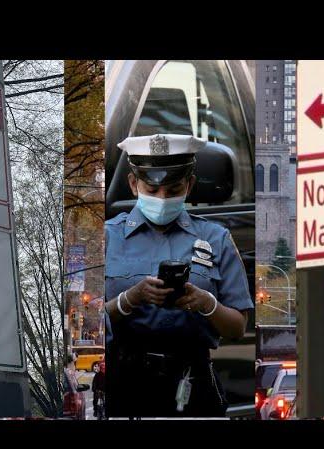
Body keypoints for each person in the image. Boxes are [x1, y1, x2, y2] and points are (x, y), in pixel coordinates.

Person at [105, 133, 253, 418]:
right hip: (123, 385)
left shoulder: (216, 238)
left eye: (173, 191)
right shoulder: (108, 237)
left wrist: (206, 303)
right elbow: (83, 324)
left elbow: (237, 327)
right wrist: (128, 300)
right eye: (152, 189)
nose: (162, 199)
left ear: (190, 185)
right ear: (134, 185)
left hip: (192, 385)